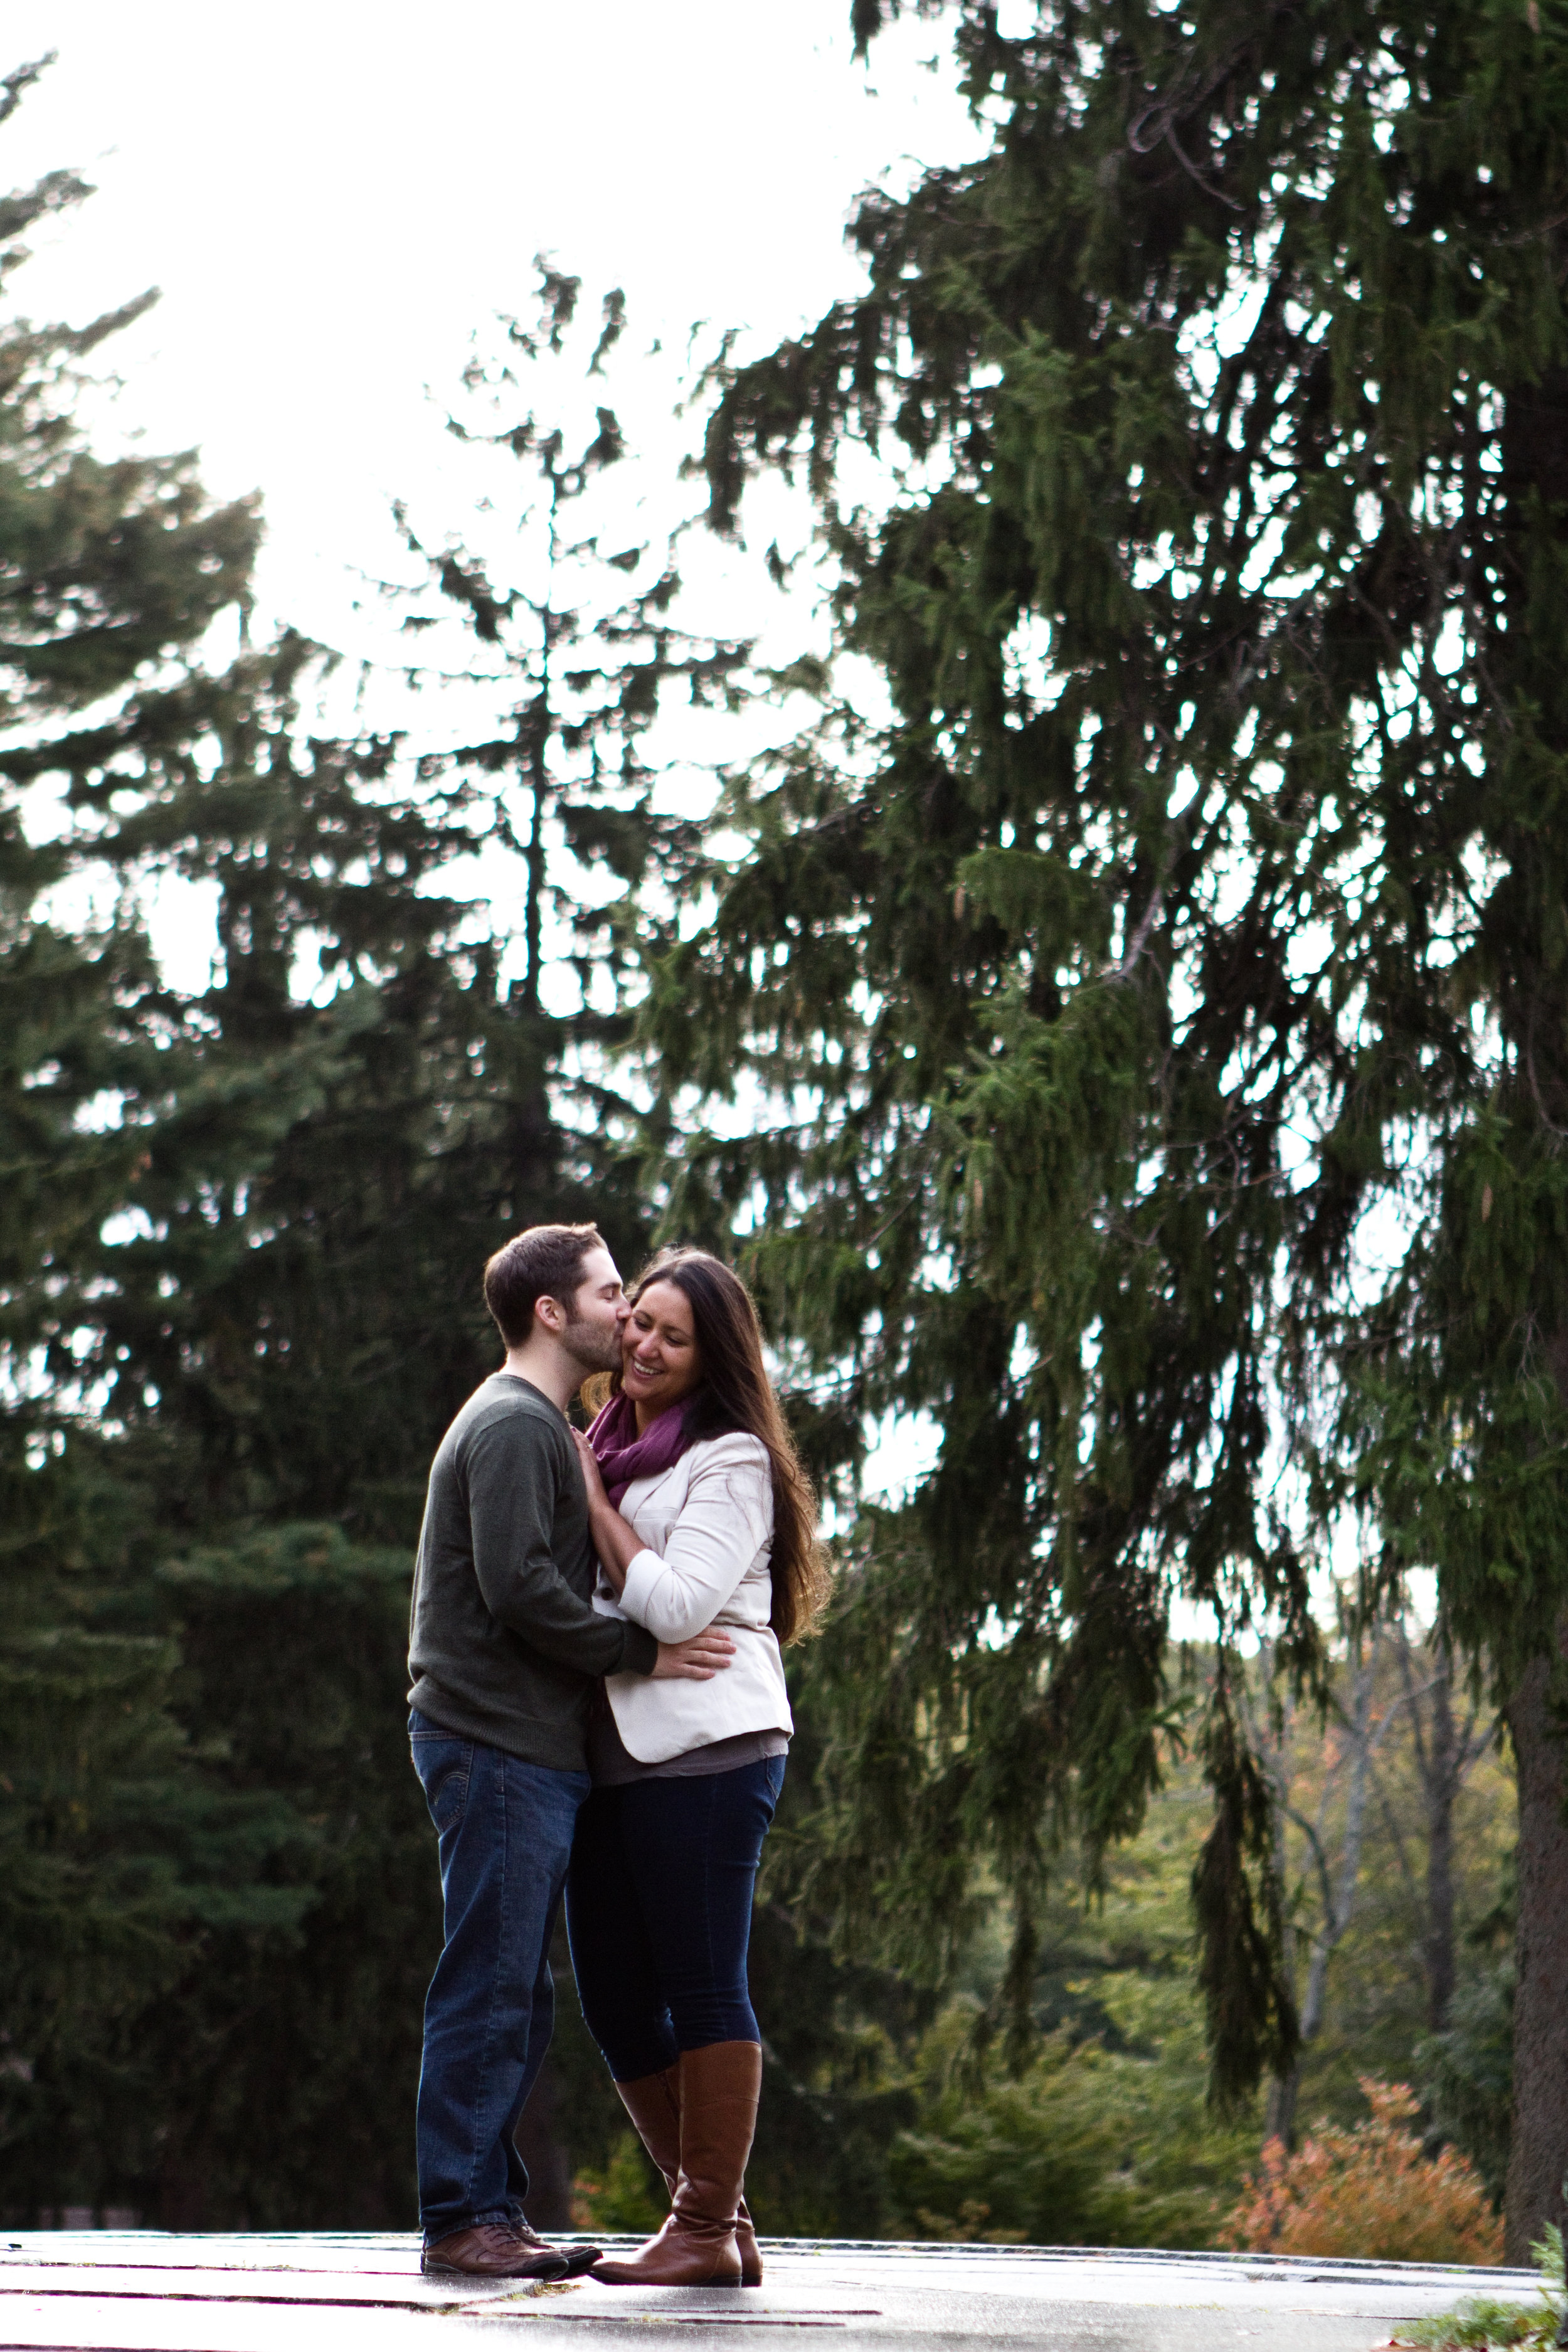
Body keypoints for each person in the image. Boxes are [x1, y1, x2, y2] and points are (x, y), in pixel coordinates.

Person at [406, 1224, 736, 2281]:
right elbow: (519, 1589)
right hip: (496, 1740)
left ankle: (490, 2206)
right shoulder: (513, 1423)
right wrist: (643, 1646)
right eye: (608, 1295)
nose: (623, 1314)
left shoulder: (548, 1428)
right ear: (553, 1312)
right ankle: (463, 2214)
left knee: (517, 1986)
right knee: (493, 1981)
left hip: (529, 1748)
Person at [564, 1247, 829, 2288]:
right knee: (616, 1998)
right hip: (612, 1756)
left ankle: (702, 2223)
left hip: (712, 1751)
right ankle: (719, 2226)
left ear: (712, 1355)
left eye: (674, 1335)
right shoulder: (604, 1443)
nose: (644, 1345)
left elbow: (677, 1607)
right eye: (640, 1322)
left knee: (704, 1984)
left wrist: (594, 1506)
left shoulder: (731, 1459)